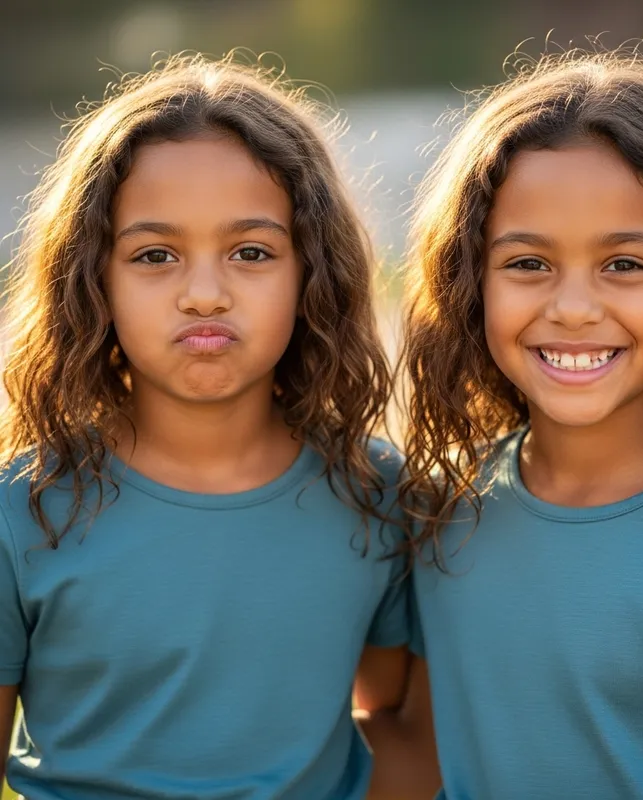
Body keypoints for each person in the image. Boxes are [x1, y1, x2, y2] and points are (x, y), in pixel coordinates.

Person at [0, 53, 411, 800]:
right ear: (93, 278)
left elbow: (392, 715)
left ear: (311, 271)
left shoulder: (376, 494)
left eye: (250, 252)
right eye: (155, 255)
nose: (204, 293)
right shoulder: (18, 509)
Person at [400, 50, 643, 799]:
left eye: (624, 265)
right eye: (527, 264)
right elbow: (416, 757)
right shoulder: (442, 514)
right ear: (467, 282)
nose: (574, 308)